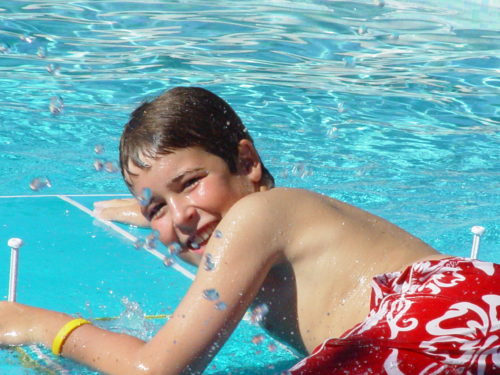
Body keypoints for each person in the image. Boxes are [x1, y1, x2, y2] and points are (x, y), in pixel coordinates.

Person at [1, 87, 498, 375]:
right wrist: (169, 211)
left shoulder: (252, 219)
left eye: (191, 183)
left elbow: (155, 369)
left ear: (247, 161)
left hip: (423, 325)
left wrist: (41, 325)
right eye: (156, 208)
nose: (180, 216)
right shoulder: (276, 219)